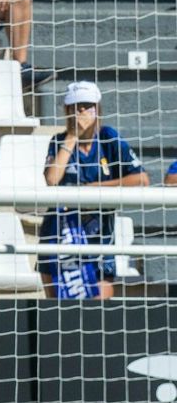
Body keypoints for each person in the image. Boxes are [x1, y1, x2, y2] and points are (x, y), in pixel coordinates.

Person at [40, 81, 149, 299]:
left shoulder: (109, 138)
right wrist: (72, 137)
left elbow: (141, 179)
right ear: (67, 110)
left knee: (99, 299)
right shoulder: (59, 141)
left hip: (99, 233)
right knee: (56, 304)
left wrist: (93, 189)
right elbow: (52, 179)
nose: (82, 112)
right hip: (62, 231)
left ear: (97, 109)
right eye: (76, 107)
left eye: (87, 106)